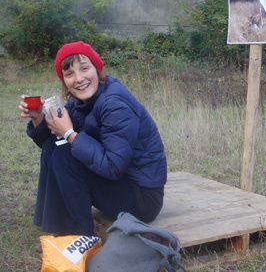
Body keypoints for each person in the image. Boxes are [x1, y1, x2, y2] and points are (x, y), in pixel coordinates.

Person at [19, 41, 167, 236]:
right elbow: (50, 146)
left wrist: (70, 134)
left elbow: (113, 167)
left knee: (66, 153)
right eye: (69, 73)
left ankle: (79, 238)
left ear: (97, 69)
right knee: (53, 146)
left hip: (143, 199)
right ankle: (55, 226)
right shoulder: (80, 101)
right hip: (122, 185)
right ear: (64, 81)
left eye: (84, 68)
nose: (79, 79)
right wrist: (39, 119)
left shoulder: (114, 104)